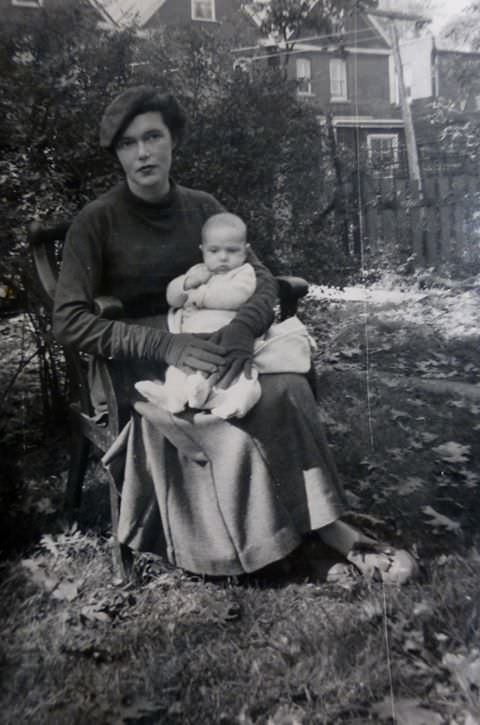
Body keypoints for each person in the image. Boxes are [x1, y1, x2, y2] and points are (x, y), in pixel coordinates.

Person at [53, 85, 418, 584]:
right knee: (227, 422)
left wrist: (243, 331)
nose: (143, 152)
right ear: (116, 153)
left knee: (284, 389)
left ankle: (327, 528)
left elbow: (262, 277)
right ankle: (282, 548)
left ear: (172, 140)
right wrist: (165, 343)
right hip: (138, 366)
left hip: (219, 343)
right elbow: (69, 320)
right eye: (128, 143)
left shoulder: (202, 207)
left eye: (153, 136)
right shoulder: (96, 221)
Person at [135, 211, 314, 420]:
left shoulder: (243, 273)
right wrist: (185, 283)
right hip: (195, 337)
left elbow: (235, 296)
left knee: (241, 375)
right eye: (214, 251)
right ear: (202, 251)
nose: (223, 257)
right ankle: (173, 398)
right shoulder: (197, 271)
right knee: (179, 369)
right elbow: (172, 298)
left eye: (232, 251)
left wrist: (198, 295)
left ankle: (236, 403)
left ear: (245, 251)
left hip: (227, 333)